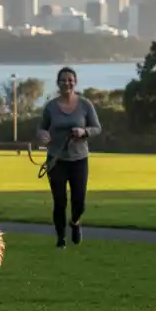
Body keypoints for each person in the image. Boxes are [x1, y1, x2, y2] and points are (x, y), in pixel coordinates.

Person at [35, 67, 101, 248]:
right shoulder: (51, 107)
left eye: (70, 80)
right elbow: (41, 128)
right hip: (56, 159)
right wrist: (43, 136)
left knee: (79, 201)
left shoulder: (85, 105)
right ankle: (61, 238)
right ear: (58, 83)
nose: (67, 83)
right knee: (60, 200)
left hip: (79, 159)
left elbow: (97, 128)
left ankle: (75, 222)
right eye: (63, 80)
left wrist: (84, 131)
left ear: (75, 82)